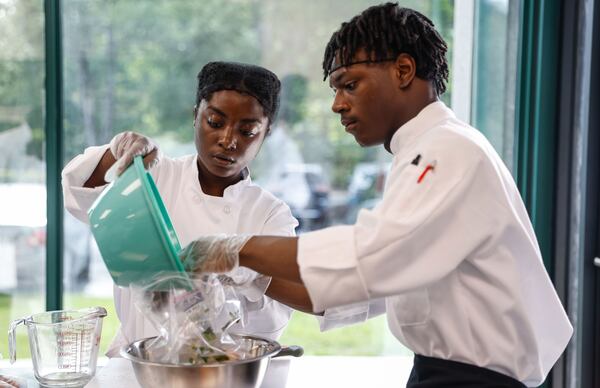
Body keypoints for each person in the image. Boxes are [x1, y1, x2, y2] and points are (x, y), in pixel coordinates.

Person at [175, 4, 573, 388]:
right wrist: (248, 274)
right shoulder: (424, 151)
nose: (337, 105)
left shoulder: (445, 149)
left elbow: (371, 256)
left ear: (403, 70)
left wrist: (237, 248)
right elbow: (357, 291)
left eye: (349, 85)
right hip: (445, 372)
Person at [62, 61, 305, 357]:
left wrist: (243, 263)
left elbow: (281, 308)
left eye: (248, 131)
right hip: (138, 363)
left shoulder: (270, 213)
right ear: (195, 116)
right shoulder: (156, 174)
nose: (228, 140)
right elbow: (80, 193)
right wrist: (116, 153)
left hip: (220, 370)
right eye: (215, 123)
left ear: (266, 133)